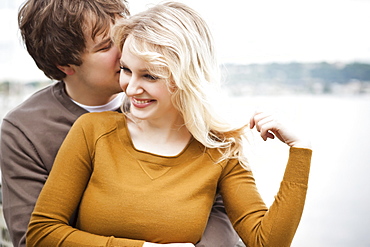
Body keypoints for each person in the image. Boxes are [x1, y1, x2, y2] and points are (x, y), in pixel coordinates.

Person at [26, 1, 312, 246]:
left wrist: (300, 149)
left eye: (149, 76)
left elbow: (267, 241)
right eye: (126, 69)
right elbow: (42, 233)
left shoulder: (223, 149)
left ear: (186, 77)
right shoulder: (92, 130)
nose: (131, 87)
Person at [0, 0, 239, 246]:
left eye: (122, 33)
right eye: (106, 46)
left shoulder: (165, 98)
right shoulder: (25, 130)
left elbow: (222, 207)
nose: (125, 47)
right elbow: (33, 238)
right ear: (65, 65)